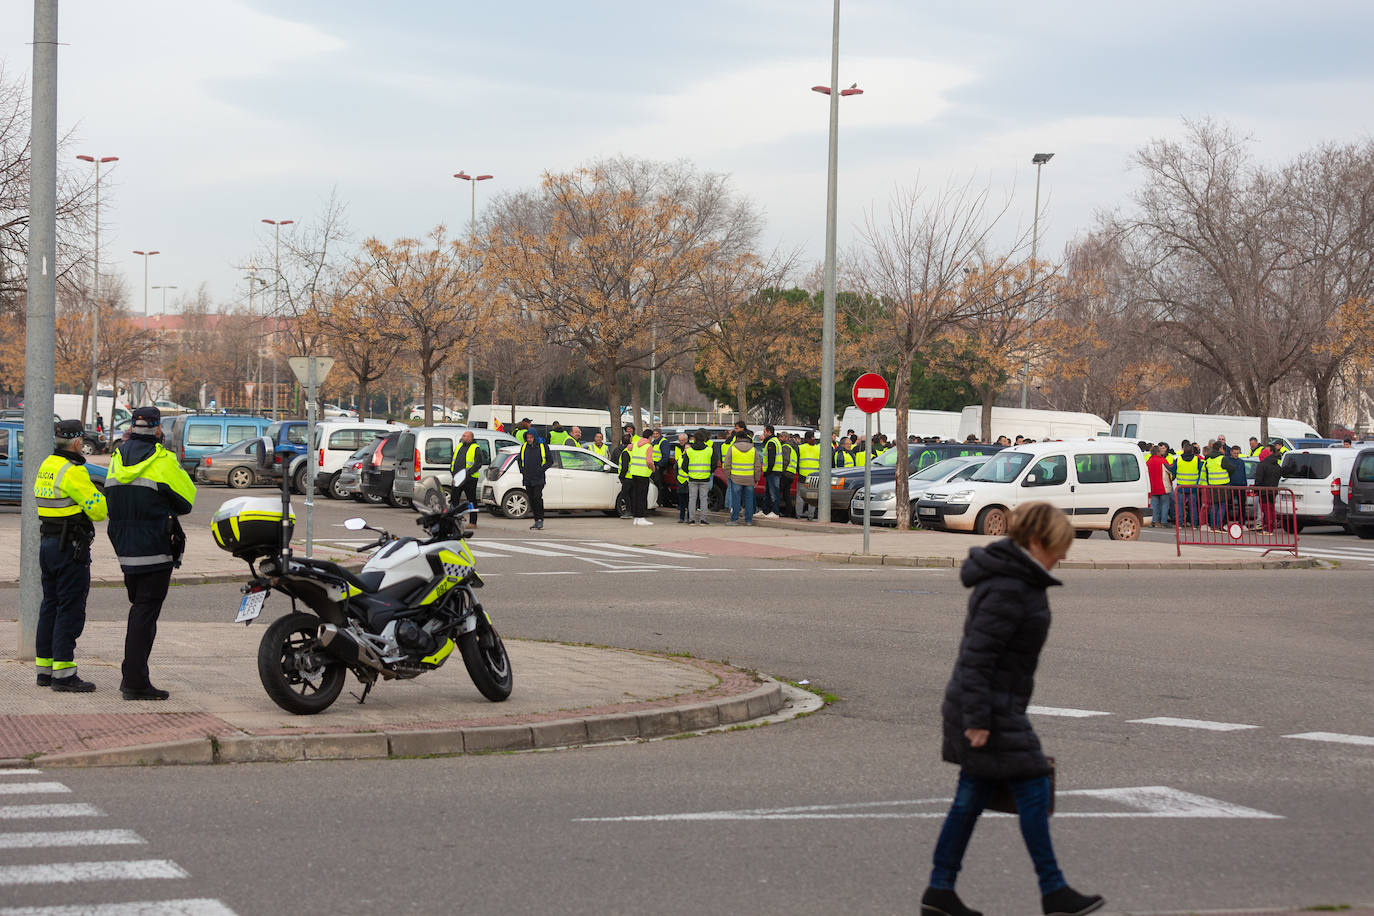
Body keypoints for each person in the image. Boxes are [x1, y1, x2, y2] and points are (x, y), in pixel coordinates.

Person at [922, 502, 1103, 916]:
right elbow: (977, 657)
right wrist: (978, 722)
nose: (1063, 556)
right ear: (1037, 542)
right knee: (1033, 783)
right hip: (988, 709)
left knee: (972, 796)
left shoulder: (1017, 579)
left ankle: (940, 891)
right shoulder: (1009, 587)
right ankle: (1053, 891)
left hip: (992, 705)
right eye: (1059, 546)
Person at [106, 406, 196, 701]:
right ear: (158, 430)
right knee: (144, 614)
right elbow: (187, 501)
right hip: (155, 548)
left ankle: (133, 676)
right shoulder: (163, 459)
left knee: (139, 609)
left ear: (132, 428)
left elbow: (111, 498)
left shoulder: (116, 458)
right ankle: (134, 682)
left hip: (124, 547)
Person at [34, 419, 108, 692]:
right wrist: (100, 498)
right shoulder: (74, 471)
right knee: (70, 608)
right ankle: (64, 674)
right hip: (70, 548)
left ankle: (45, 669)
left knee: (50, 605)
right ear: (77, 443)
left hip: (48, 545)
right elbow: (99, 512)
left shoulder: (47, 465)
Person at [517, 429, 551, 530]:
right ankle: (536, 520)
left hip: (538, 478)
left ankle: (540, 520)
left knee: (537, 498)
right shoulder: (524, 447)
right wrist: (522, 470)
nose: (529, 439)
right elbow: (519, 460)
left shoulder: (542, 446)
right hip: (527, 478)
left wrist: (541, 470)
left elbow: (550, 460)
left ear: (535, 437)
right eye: (528, 438)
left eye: (531, 437)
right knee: (531, 499)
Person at [448, 430, 482, 528]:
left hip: (470, 479)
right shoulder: (459, 446)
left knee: (471, 501)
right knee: (454, 500)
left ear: (471, 438)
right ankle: (453, 520)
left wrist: (467, 474)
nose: (464, 438)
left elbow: (478, 464)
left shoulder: (476, 448)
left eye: (466, 436)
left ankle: (473, 522)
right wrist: (453, 472)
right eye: (463, 436)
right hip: (457, 478)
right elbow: (452, 460)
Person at [723, 429, 757, 525]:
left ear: (737, 438)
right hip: (749, 478)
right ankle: (749, 521)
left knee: (736, 500)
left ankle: (734, 520)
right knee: (749, 500)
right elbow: (757, 466)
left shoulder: (732, 448)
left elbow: (727, 465)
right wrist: (756, 478)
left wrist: (729, 476)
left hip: (736, 478)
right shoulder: (753, 449)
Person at [681, 429, 715, 525]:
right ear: (704, 439)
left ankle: (691, 520)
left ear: (694, 439)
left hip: (692, 478)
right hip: (705, 478)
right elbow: (714, 464)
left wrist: (689, 472)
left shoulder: (690, 451)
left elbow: (684, 465)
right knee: (704, 499)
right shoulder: (709, 450)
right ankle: (703, 520)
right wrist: (709, 471)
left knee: (692, 499)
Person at [627, 430, 655, 526]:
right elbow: (648, 461)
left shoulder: (635, 444)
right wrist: (653, 468)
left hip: (634, 472)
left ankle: (636, 518)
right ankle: (641, 517)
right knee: (642, 496)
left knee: (635, 496)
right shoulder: (648, 446)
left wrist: (632, 442)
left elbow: (628, 447)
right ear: (650, 437)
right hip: (643, 474)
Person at [1254, 446, 1283, 532]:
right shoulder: (1277, 465)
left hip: (1263, 491)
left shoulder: (1262, 465)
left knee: (1265, 510)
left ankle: (1267, 528)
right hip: (1273, 490)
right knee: (1271, 509)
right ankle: (1270, 527)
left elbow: (1259, 479)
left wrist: (1255, 489)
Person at [1145, 444, 1171, 528]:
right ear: (1158, 452)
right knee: (1164, 505)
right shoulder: (1163, 461)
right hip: (1163, 486)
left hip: (1152, 487)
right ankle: (1163, 522)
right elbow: (1169, 471)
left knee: (1154, 505)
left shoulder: (1148, 462)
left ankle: (1154, 521)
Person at [760, 425, 782, 518]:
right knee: (768, 493)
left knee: (773, 493)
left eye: (764, 431)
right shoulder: (773, 441)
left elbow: (771, 459)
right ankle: (765, 511)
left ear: (769, 432)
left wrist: (768, 471)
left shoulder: (771, 442)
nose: (763, 433)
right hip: (773, 471)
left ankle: (775, 512)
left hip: (773, 471)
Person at [673, 432, 691, 523]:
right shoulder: (680, 458)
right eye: (685, 448)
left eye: (688, 448)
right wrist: (677, 479)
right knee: (682, 502)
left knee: (689, 502)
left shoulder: (692, 458)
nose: (686, 450)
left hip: (689, 482)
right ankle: (681, 517)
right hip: (681, 482)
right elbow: (675, 469)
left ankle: (689, 517)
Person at [617, 434, 634, 518]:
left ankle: (628, 512)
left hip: (627, 477)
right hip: (633, 476)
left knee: (625, 495)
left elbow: (624, 467)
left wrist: (621, 476)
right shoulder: (632, 451)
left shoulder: (625, 452)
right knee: (631, 495)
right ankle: (632, 511)